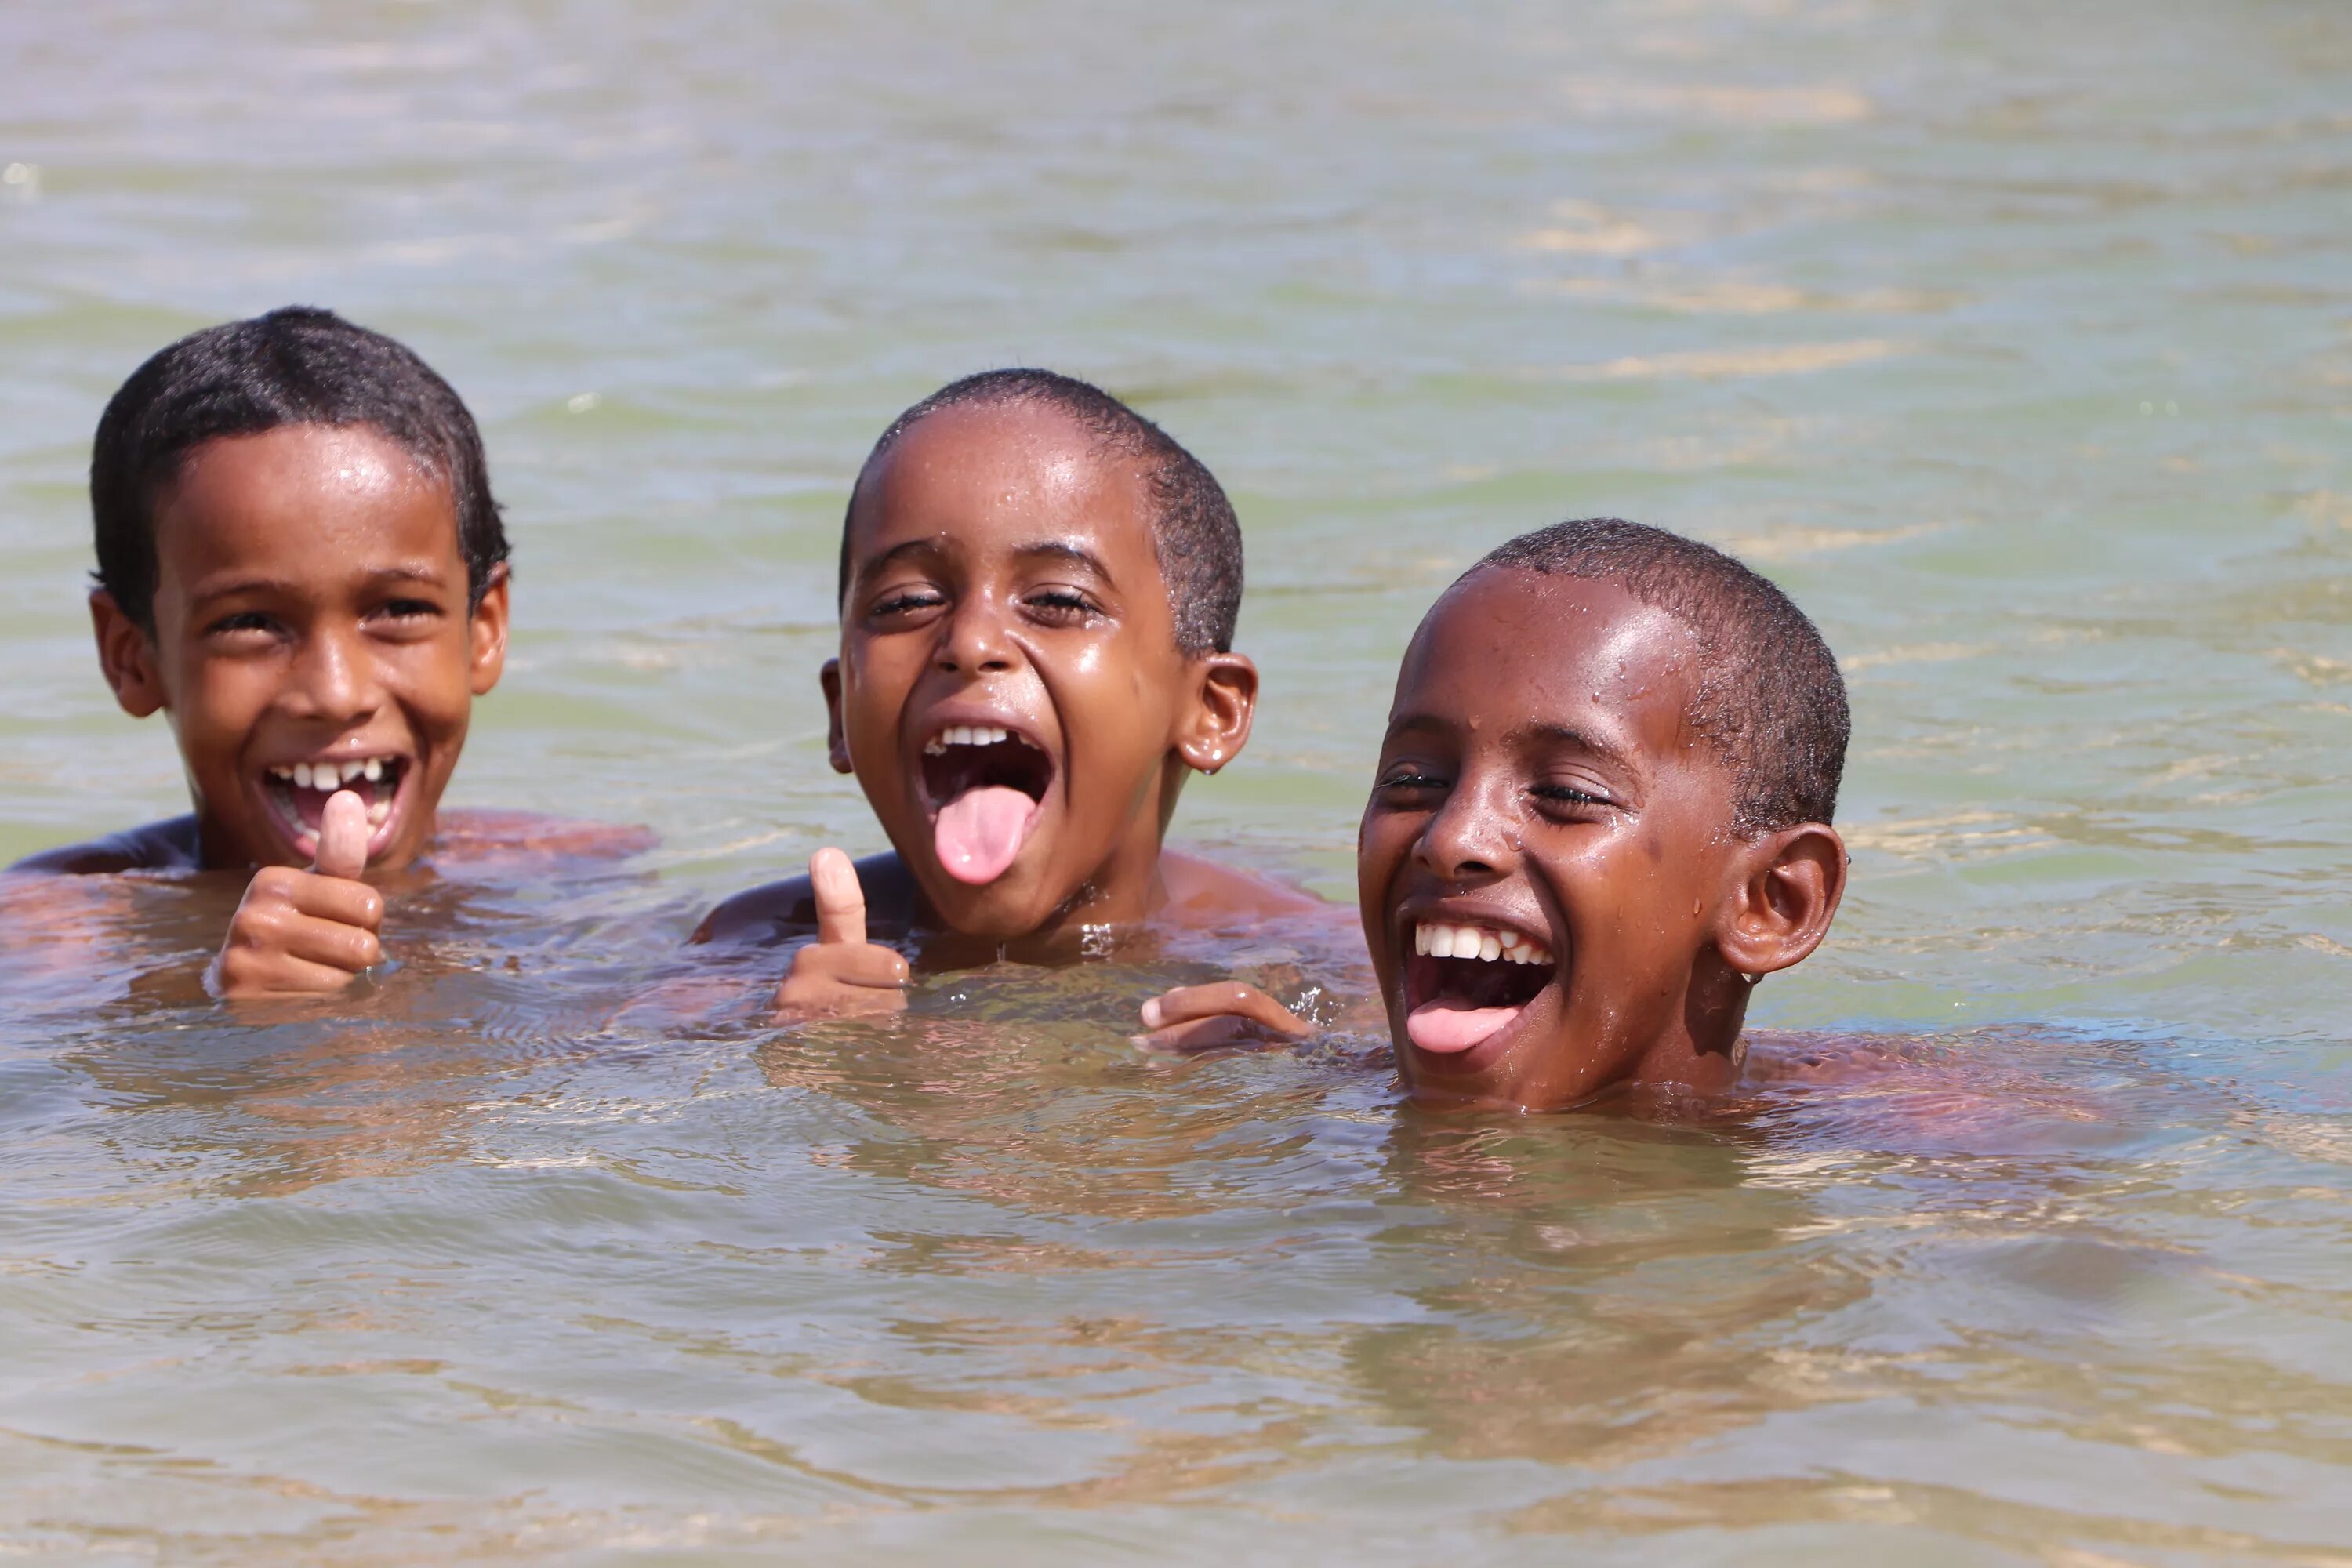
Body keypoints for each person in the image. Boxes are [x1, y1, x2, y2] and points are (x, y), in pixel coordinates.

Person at [6, 307, 623, 999]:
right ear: (131, 656)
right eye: (251, 623)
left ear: (484, 627)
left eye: (399, 610)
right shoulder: (47, 935)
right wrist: (209, 1008)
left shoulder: (570, 872)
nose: (336, 693)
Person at [1139, 517, 1851, 1112]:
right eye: (1414, 780)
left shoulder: (1892, 1151)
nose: (1451, 838)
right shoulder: (1303, 1110)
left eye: (1567, 795)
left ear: (1773, 904)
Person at [695, 369, 1321, 1016]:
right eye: (908, 602)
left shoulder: (1312, 971)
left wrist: (1252, 1100)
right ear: (840, 714)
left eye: (1056, 600)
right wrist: (798, 1060)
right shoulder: (747, 955)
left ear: (1210, 709)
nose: (968, 642)